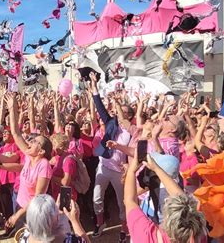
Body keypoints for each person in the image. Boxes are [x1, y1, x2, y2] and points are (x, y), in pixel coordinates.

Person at [124, 149, 207, 243]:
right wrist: (157, 169)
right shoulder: (199, 236)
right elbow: (182, 198)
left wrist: (131, 171)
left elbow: (129, 200)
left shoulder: (148, 235)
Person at [89, 72, 131, 242]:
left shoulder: (132, 131)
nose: (120, 114)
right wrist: (94, 87)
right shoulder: (110, 123)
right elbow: (100, 107)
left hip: (120, 172)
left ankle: (124, 228)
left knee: (122, 203)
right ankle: (100, 223)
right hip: (103, 167)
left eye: (124, 112)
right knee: (96, 198)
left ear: (129, 116)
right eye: (119, 111)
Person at [5, 92, 53, 234]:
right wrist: (12, 108)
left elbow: (38, 197)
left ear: (41, 151)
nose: (31, 141)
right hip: (21, 205)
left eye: (36, 142)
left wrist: (17, 215)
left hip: (33, 211)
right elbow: (16, 133)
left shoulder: (44, 165)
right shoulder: (28, 155)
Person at [16, 194, 90, 243]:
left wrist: (54, 212)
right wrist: (75, 221)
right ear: (57, 218)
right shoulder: (70, 240)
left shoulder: (23, 238)